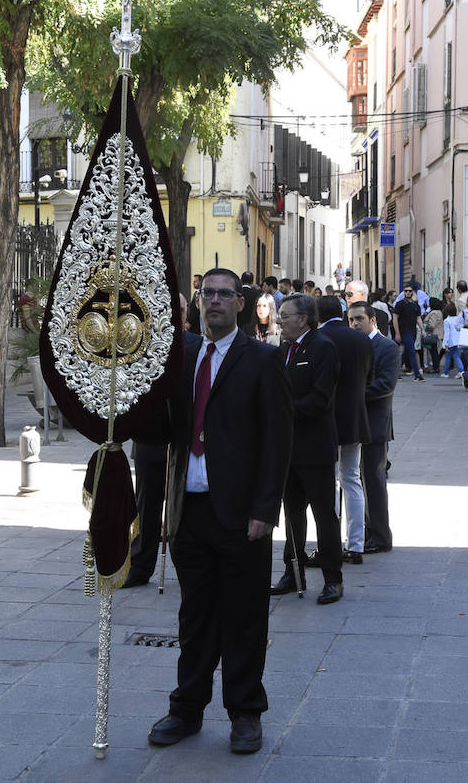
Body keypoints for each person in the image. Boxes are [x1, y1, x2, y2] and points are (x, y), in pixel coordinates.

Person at [147, 269, 292, 754]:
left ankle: (245, 712)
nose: (213, 301)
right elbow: (162, 424)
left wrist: (265, 510)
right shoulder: (182, 357)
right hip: (191, 511)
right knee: (194, 619)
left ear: (241, 304)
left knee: (245, 618)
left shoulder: (263, 360)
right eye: (207, 293)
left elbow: (277, 442)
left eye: (224, 295)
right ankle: (185, 709)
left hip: (242, 516)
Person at [271, 294, 343, 605]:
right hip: (288, 449)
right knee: (292, 514)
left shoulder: (322, 346)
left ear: (303, 318)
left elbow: (320, 399)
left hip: (315, 449)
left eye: (284, 316)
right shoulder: (285, 348)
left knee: (324, 515)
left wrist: (283, 409)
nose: (279, 321)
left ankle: (332, 578)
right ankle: (293, 571)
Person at [123, 295, 200, 589]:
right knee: (147, 506)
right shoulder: (140, 346)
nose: (173, 314)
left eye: (179, 309)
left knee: (185, 507)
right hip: (149, 438)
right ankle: (140, 566)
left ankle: (189, 564)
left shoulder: (196, 345)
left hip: (184, 439)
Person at [315, 296, 374, 564]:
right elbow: (369, 378)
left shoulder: (316, 339)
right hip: (354, 419)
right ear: (341, 312)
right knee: (351, 480)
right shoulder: (362, 339)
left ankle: (331, 546)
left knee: (328, 484)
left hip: (325, 421)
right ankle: (357, 545)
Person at [347, 302, 400, 554]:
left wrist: (350, 396)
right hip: (353, 422)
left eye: (359, 319)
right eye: (351, 319)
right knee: (355, 478)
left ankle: (381, 535)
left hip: (375, 422)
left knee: (373, 478)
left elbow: (385, 385)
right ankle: (366, 528)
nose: (355, 324)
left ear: (372, 321)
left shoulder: (387, 347)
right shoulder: (350, 346)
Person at [392, 284, 425, 381]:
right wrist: (397, 333)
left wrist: (422, 330)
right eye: (406, 291)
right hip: (404, 331)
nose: (408, 292)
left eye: (410, 291)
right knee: (412, 352)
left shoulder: (415, 305)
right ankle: (417, 374)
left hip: (413, 331)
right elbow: (395, 319)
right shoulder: (400, 304)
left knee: (406, 352)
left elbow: (418, 318)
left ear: (413, 292)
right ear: (403, 292)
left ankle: (395, 372)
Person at [440, 302, 465, 379]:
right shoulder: (458, 318)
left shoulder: (447, 321)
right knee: (456, 356)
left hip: (450, 341)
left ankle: (446, 372)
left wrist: (445, 344)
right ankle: (461, 371)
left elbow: (447, 333)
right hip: (458, 340)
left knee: (448, 357)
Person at [423, 297, 443, 373]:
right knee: (435, 351)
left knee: (433, 351)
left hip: (433, 334)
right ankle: (435, 366)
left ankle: (435, 367)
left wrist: (425, 327)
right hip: (438, 334)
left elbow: (432, 325)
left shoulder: (434, 313)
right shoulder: (439, 312)